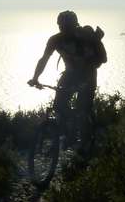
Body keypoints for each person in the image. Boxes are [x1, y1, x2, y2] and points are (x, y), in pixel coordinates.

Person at [27, 10, 106, 158]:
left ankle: (84, 142)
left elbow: (102, 59)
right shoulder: (55, 40)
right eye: (61, 26)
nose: (63, 29)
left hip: (88, 75)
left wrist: (87, 76)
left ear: (74, 25)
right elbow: (44, 59)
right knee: (58, 106)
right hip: (69, 74)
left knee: (82, 109)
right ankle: (65, 133)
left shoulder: (85, 37)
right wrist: (35, 77)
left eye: (66, 26)